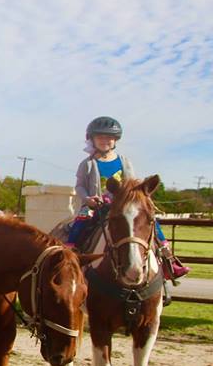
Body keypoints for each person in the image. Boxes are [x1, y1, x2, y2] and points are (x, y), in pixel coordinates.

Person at [67, 116, 188, 281]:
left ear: (115, 140)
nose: (105, 141)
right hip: (95, 205)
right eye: (100, 137)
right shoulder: (87, 163)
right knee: (81, 220)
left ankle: (168, 259)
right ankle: (69, 254)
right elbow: (79, 185)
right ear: (92, 140)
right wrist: (88, 199)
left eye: (109, 137)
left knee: (149, 220)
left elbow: (132, 184)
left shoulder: (124, 161)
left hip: (122, 204)